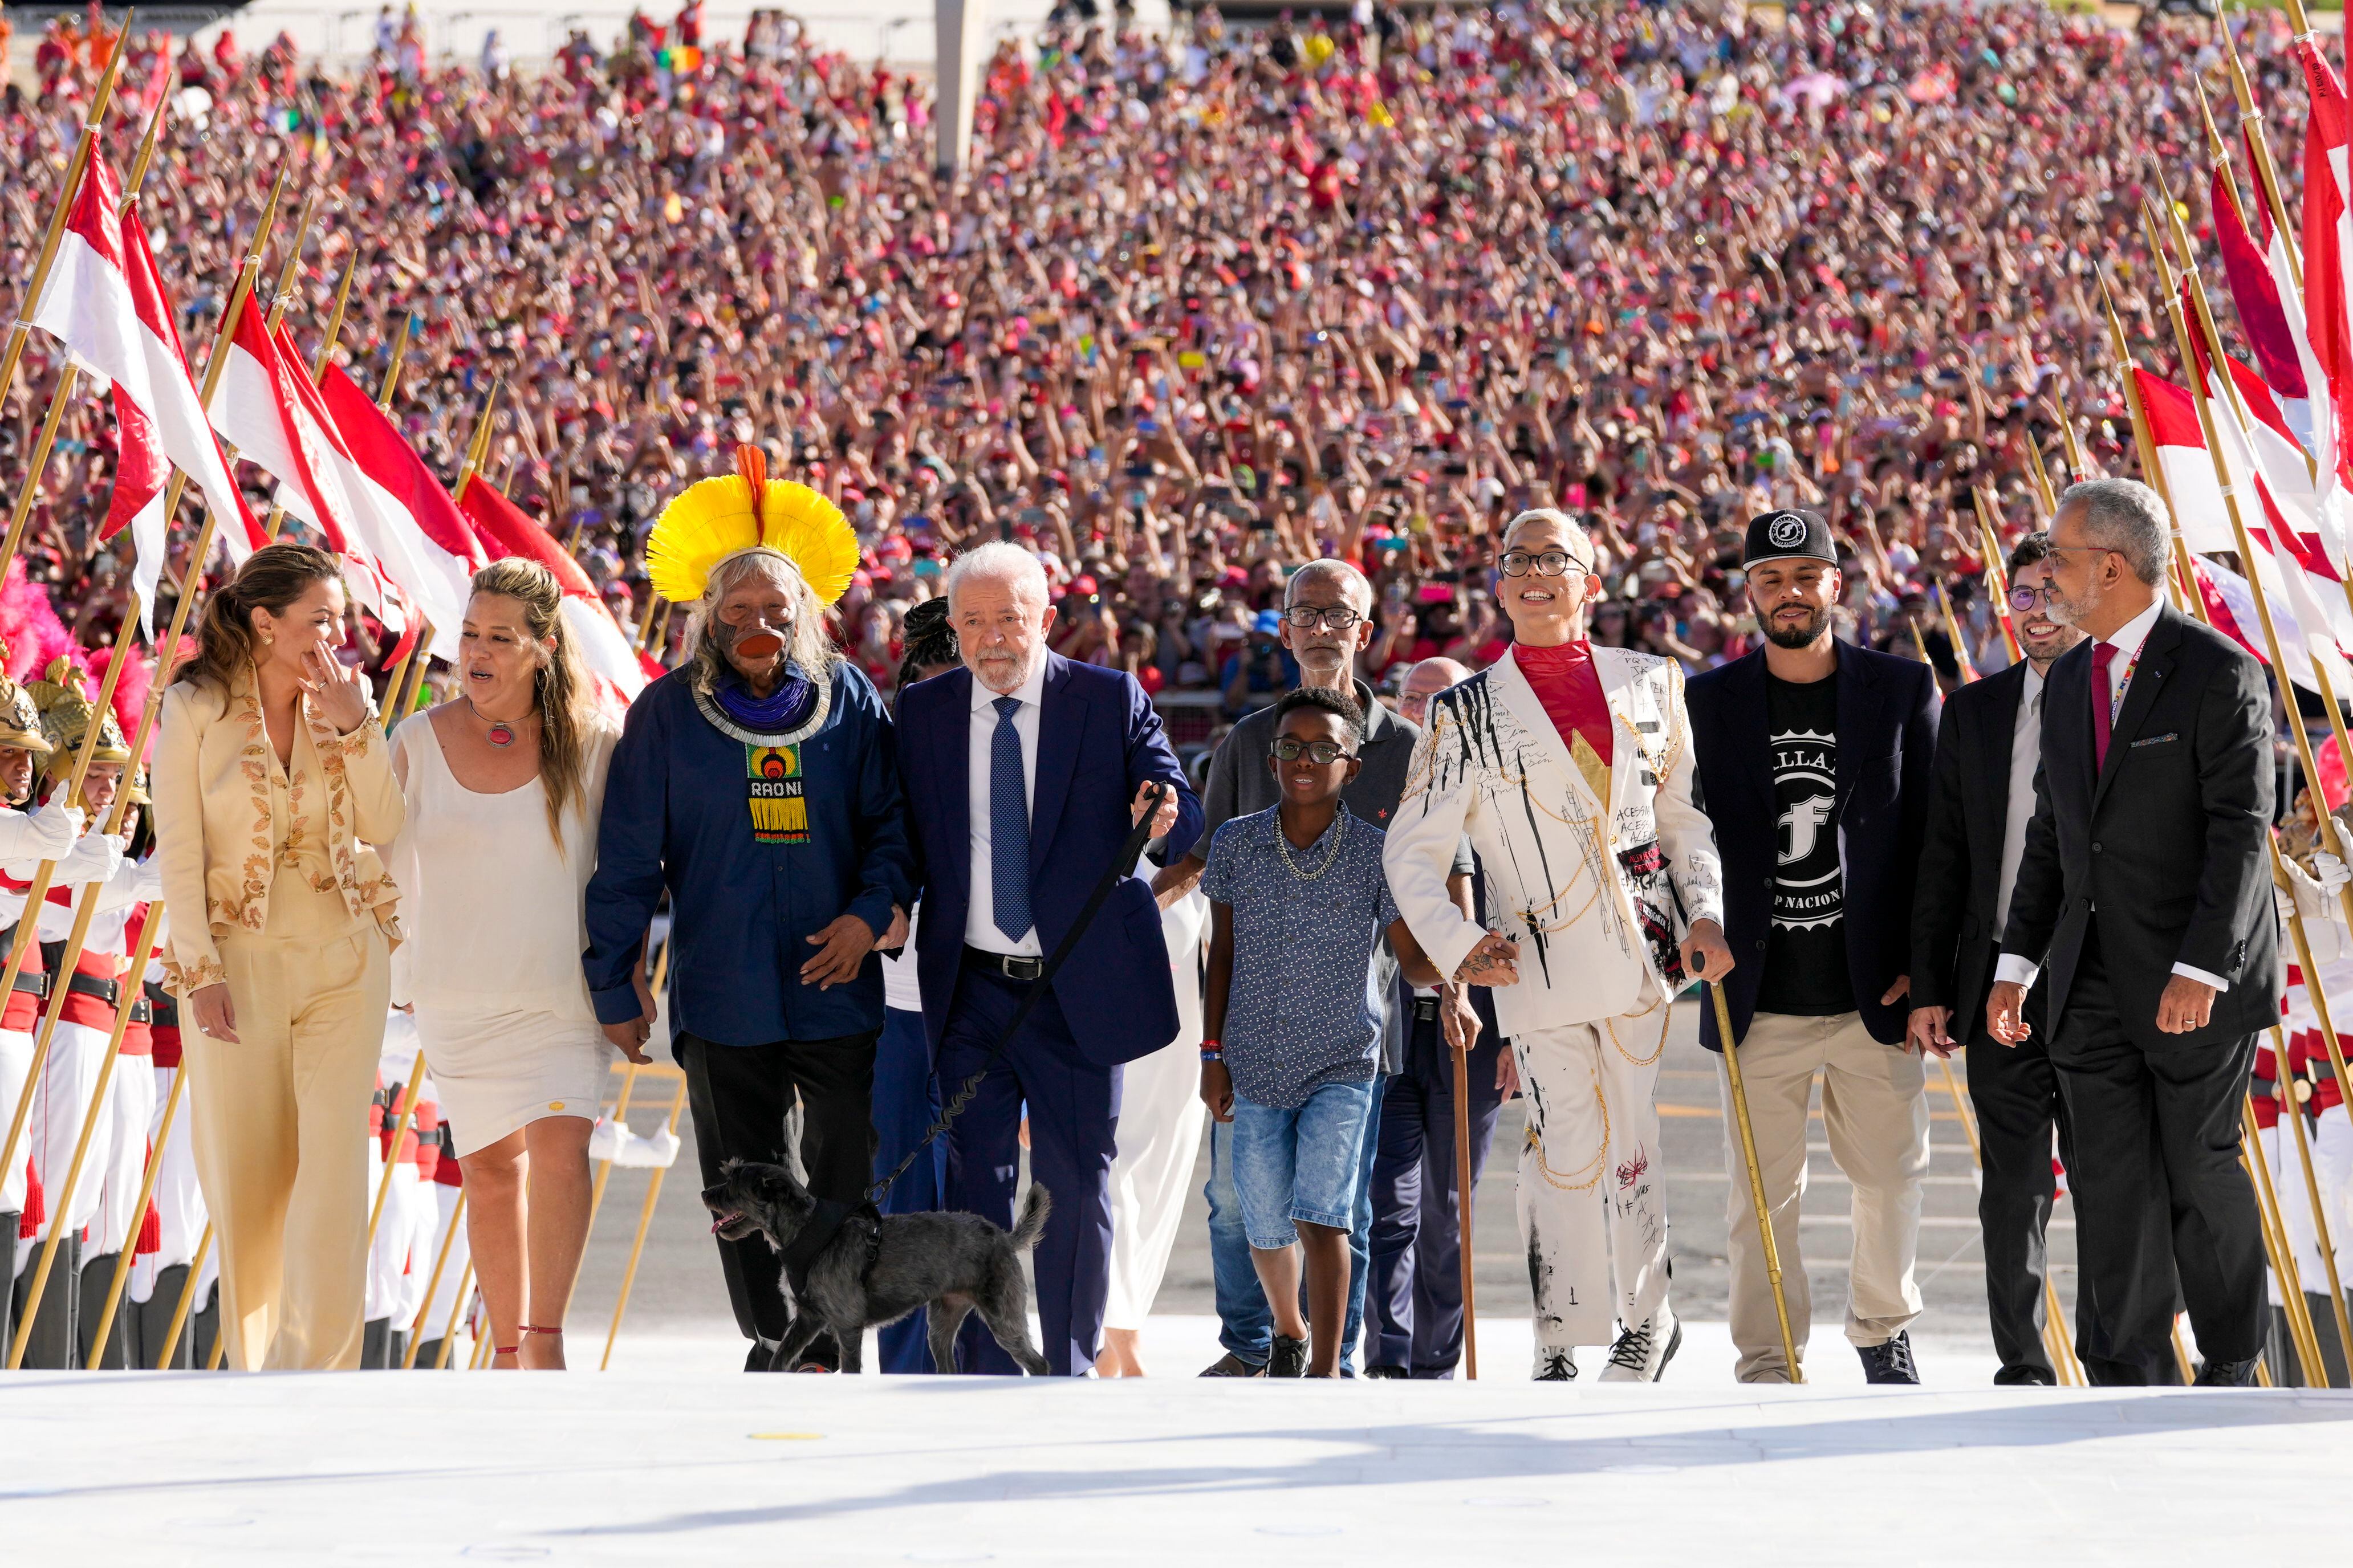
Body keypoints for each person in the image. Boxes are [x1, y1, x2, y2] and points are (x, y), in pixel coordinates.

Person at [583, 449, 916, 1374]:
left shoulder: (852, 700)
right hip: (723, 991)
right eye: (738, 610)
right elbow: (623, 862)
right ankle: (775, 1334)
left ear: (808, 614)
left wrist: (868, 914)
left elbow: (892, 829)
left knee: (846, 1172)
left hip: (837, 982)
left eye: (777, 607)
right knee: (741, 1182)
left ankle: (830, 1332)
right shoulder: (664, 714)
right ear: (709, 622)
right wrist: (613, 982)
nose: (759, 622)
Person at [1388, 508, 1731, 1382]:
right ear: (1498, 584)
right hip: (1532, 963)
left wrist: (1705, 912)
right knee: (1557, 1145)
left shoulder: (1654, 681)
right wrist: (1462, 946)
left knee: (1632, 1144)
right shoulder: (1461, 711)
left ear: (1591, 578)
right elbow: (1412, 850)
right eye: (1517, 560)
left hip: (1642, 954)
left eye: (1555, 558)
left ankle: (1646, 1321)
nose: (1535, 573)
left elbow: (1680, 816)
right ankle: (1557, 1329)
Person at [1988, 478, 2277, 1387]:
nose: (2048, 578)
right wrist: (2012, 964)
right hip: (2088, 982)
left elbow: (2240, 831)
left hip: (2194, 977)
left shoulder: (2218, 671)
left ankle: (2230, 1355)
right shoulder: (2069, 677)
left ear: (2108, 566)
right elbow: (2051, 836)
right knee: (2108, 1179)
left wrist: (2201, 965)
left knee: (2199, 1165)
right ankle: (2126, 1362)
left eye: (2061, 559)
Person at [1155, 557, 1470, 1378]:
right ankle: (1255, 1342)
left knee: (1339, 1207)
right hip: (1250, 1028)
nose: (1324, 627)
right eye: (1307, 612)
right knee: (1234, 1203)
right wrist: (1126, 909)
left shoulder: (1405, 748)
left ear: (1366, 632)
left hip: (1357, 1023)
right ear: (1285, 626)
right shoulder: (1248, 740)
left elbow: (1451, 865)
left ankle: (1333, 1356)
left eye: (1341, 615)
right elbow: (1202, 858)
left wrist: (1457, 973)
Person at [896, 541, 1199, 1376]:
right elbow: (900, 836)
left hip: (1073, 990)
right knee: (974, 1190)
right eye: (974, 621)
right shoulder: (924, 713)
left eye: (1010, 619)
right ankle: (988, 1372)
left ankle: (1066, 1365)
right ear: (952, 626)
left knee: (1073, 1184)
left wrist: (1161, 807)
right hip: (970, 989)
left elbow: (1174, 793)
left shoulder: (1106, 700)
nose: (993, 638)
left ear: (1045, 619)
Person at [1687, 508, 1939, 1385]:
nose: (1787, 593)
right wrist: (1694, 919)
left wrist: (1927, 963)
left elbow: (1934, 838)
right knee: (1757, 1196)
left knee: (1891, 1178)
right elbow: (1681, 833)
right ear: (1747, 592)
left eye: (1805, 576)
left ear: (1836, 582)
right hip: (1755, 993)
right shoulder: (1705, 701)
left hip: (1876, 988)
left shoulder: (1902, 688)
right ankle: (1768, 1355)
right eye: (1769, 579)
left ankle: (1880, 1327)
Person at [151, 542, 406, 1370]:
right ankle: (257, 1367)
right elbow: (179, 853)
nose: (339, 634)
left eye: (340, 617)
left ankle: (319, 1371)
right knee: (249, 1175)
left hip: (346, 959)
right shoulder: (192, 705)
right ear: (265, 622)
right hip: (240, 965)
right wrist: (200, 973)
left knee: (335, 1165)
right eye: (321, 618)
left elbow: (385, 823)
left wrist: (358, 723)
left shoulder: (345, 702)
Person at [387, 559, 621, 1370]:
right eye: (469, 634)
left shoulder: (596, 746)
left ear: (543, 648)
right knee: (488, 1173)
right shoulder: (416, 738)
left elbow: (633, 871)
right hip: (455, 997)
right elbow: (368, 852)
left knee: (560, 1150)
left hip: (561, 995)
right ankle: (507, 1346)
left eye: (499, 637)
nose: (476, 651)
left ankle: (546, 1345)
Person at [1200, 687, 1444, 1377]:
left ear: (1353, 766)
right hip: (1251, 1059)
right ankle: (1287, 1329)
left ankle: (1326, 1367)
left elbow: (1411, 958)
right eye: (1288, 748)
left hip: (1342, 1059)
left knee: (1324, 1214)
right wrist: (1211, 1054)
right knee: (1263, 1219)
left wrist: (1464, 963)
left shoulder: (1377, 852)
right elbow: (1221, 953)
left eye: (1321, 749)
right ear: (1271, 758)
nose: (1302, 760)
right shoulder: (1236, 843)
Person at [1907, 531, 2088, 1385]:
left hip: (2096, 977)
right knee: (2010, 1184)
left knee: (2107, 1178)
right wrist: (1934, 985)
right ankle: (2021, 1359)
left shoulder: (2124, 700)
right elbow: (1942, 857)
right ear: (2002, 603)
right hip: (1995, 981)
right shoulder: (1973, 712)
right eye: (2023, 593)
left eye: (2055, 591)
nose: (2038, 609)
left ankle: (2118, 1350)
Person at [1366, 657, 1510, 1380]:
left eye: (1441, 701)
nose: (1425, 713)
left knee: (1449, 1211)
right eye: (1413, 700)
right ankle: (1386, 1359)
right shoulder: (1375, 782)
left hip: (1475, 1031)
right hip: (1385, 1028)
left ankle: (1434, 1363)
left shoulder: (1497, 790)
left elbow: (1519, 915)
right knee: (1383, 1207)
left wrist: (1514, 1030)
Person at [869, 598, 958, 1375]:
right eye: (925, 676)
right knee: (900, 1202)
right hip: (899, 1011)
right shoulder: (888, 755)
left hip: (984, 1006)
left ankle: (973, 1362)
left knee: (975, 1199)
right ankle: (903, 1369)